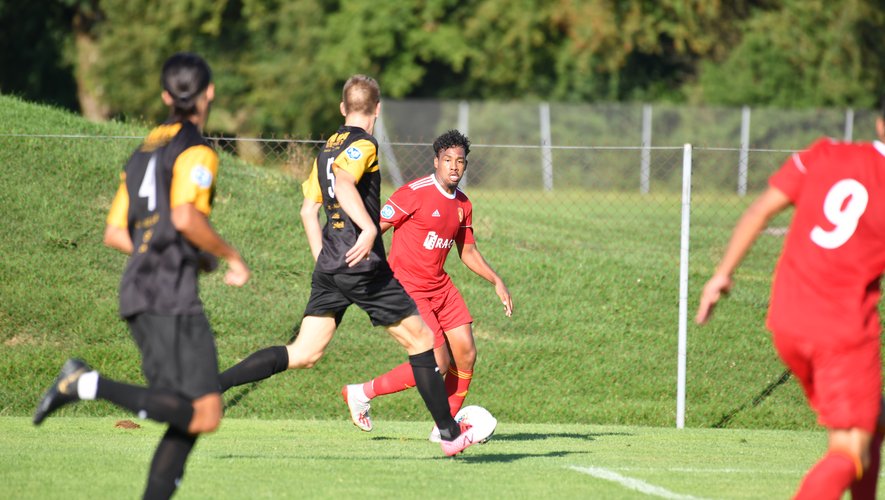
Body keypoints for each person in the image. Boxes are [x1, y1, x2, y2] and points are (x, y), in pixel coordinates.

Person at [216, 75, 495, 456]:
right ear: (377, 109)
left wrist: (322, 260)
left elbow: (307, 210)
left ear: (343, 108)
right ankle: (449, 434)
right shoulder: (364, 144)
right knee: (424, 342)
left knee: (303, 352)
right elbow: (346, 184)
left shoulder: (327, 149)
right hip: (361, 265)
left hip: (331, 265)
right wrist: (366, 230)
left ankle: (214, 385)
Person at [33, 52, 251, 499]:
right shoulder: (197, 148)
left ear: (166, 96)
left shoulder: (143, 150)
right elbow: (186, 216)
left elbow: (115, 232)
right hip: (169, 292)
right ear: (209, 92)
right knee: (202, 413)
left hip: (142, 286)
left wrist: (179, 252)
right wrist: (230, 255)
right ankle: (83, 383)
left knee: (193, 416)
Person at [695, 103, 885, 499]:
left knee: (872, 420)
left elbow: (760, 210)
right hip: (843, 329)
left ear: (881, 124)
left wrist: (721, 275)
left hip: (788, 319)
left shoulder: (825, 153)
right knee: (850, 450)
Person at [340, 129, 512, 442]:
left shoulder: (463, 204)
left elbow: (468, 251)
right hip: (408, 286)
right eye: (448, 160)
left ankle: (442, 429)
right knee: (438, 362)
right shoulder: (414, 193)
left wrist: (496, 280)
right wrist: (355, 262)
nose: (454, 166)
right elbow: (374, 227)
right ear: (436, 162)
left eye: (460, 161)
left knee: (467, 353)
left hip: (440, 287)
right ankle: (361, 393)